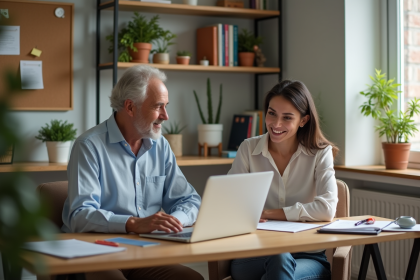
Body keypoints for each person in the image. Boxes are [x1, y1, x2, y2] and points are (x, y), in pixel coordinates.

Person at [62, 65, 203, 280]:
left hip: (144, 252)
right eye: (158, 106)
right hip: (96, 252)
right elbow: (80, 216)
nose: (165, 116)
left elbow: (190, 199)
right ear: (130, 107)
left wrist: (174, 221)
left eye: (166, 106)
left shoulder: (160, 146)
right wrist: (133, 223)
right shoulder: (88, 146)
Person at [228, 80, 338, 280]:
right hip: (254, 253)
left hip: (308, 256)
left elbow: (326, 208)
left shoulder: (320, 153)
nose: (276, 124)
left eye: (287, 117)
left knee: (279, 263)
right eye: (272, 113)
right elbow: (230, 202)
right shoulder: (248, 148)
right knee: (279, 258)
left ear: (303, 121)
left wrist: (268, 213)